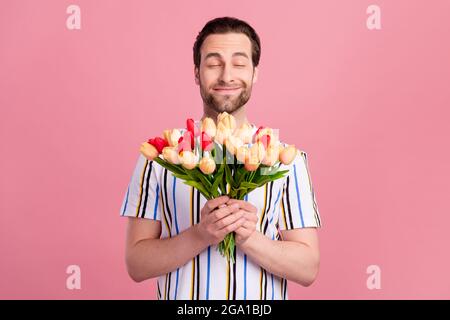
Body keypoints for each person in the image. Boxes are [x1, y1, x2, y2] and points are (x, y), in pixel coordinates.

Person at [120, 16, 322, 300]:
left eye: (239, 63)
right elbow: (136, 264)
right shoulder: (161, 156)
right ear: (196, 72)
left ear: (255, 73)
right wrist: (202, 234)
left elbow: (308, 268)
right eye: (214, 63)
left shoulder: (286, 158)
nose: (227, 76)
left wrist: (250, 238)